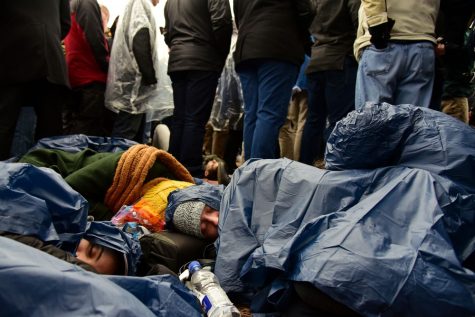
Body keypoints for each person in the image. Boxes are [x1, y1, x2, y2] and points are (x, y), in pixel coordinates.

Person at [233, 0, 315, 160]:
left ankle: (248, 172)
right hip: (278, 45)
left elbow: (238, 16)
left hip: (246, 48)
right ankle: (258, 172)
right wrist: (306, 42)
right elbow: (306, 10)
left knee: (252, 114)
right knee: (269, 112)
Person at [163, 0, 233, 177]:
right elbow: (222, 22)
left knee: (180, 117)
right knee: (195, 118)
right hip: (203, 59)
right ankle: (190, 168)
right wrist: (221, 56)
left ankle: (172, 165)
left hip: (178, 60)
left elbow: (168, 33)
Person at [0, 0, 71, 160]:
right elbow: (65, 23)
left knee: (4, 127)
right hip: (50, 58)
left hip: (11, 54)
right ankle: (48, 179)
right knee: (51, 134)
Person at [300, 0, 360, 166]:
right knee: (340, 120)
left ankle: (304, 166)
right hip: (340, 58)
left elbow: (303, 24)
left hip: (316, 60)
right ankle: (334, 167)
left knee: (313, 120)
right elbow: (359, 23)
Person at [353, 0, 440, 110]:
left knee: (372, 119)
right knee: (411, 121)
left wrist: (377, 24)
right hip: (423, 39)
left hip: (384, 39)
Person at [105, 0, 161, 143]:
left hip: (132, 83)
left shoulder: (136, 5)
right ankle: (117, 164)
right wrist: (150, 76)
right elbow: (139, 39)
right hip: (135, 85)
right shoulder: (140, 4)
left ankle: (127, 164)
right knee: (126, 135)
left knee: (131, 135)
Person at [63, 0, 114, 137]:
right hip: (90, 77)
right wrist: (109, 68)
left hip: (76, 74)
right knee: (86, 131)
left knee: (76, 128)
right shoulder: (86, 2)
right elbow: (95, 38)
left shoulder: (71, 4)